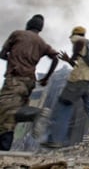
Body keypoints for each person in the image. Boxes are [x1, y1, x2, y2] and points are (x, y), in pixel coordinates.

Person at [41, 26, 89, 166]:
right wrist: (70, 60)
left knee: (63, 104)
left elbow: (80, 44)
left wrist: (73, 55)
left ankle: (54, 138)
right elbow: (79, 62)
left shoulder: (80, 40)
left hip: (80, 79)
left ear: (75, 34)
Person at [0, 14, 58, 150]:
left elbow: (2, 54)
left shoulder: (17, 34)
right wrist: (46, 78)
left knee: (5, 112)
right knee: (9, 119)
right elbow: (55, 58)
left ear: (28, 24)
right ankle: (3, 151)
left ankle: (37, 113)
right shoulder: (41, 43)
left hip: (14, 78)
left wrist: (12, 60)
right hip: (29, 82)